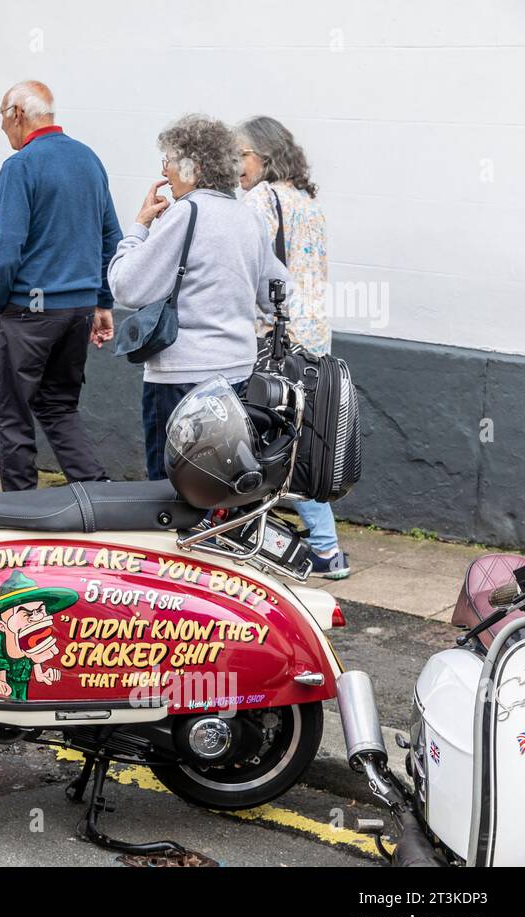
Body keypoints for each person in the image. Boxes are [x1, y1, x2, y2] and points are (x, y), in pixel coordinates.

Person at [107, 114, 288, 481]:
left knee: (171, 490)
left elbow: (126, 286)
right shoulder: (247, 218)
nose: (166, 171)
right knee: (219, 486)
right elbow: (277, 294)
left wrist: (139, 227)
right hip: (237, 375)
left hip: (181, 378)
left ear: (193, 166)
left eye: (169, 161)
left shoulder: (186, 213)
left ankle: (179, 540)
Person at [0, 80, 122, 492]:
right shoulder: (88, 159)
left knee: (14, 412)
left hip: (27, 310)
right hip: (78, 311)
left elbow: (8, 246)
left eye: (1, 117)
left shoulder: (21, 165)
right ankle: (96, 493)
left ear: (16, 114)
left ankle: (19, 509)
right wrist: (101, 300)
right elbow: (110, 237)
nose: (2, 128)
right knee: (59, 405)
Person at [237, 115, 349, 579]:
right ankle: (325, 548)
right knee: (302, 438)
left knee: (267, 440)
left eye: (240, 154)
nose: (235, 164)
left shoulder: (260, 199)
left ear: (264, 156)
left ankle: (311, 544)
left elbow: (248, 270)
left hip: (273, 337)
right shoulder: (308, 202)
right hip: (313, 340)